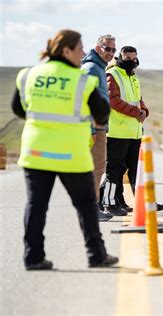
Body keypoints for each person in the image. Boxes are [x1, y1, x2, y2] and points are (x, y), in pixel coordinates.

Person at [11, 29, 118, 270]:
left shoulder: (28, 75)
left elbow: (19, 109)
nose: (83, 53)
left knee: (36, 206)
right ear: (66, 50)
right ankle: (96, 255)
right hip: (71, 154)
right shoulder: (83, 80)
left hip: (36, 153)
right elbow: (102, 113)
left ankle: (33, 257)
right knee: (86, 205)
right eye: (80, 48)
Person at [100, 46, 163, 214]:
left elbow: (138, 99)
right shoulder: (113, 74)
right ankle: (109, 203)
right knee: (114, 170)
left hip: (135, 131)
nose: (131, 61)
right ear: (119, 57)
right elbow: (113, 100)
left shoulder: (132, 76)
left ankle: (142, 202)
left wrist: (144, 111)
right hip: (117, 132)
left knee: (135, 170)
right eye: (127, 57)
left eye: (133, 58)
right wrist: (136, 112)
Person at [81, 34, 116, 222]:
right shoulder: (92, 68)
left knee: (97, 168)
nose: (110, 53)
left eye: (113, 50)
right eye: (107, 48)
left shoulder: (99, 68)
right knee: (96, 168)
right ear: (97, 48)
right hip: (94, 127)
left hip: (99, 126)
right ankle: (91, 210)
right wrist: (92, 130)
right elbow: (83, 99)